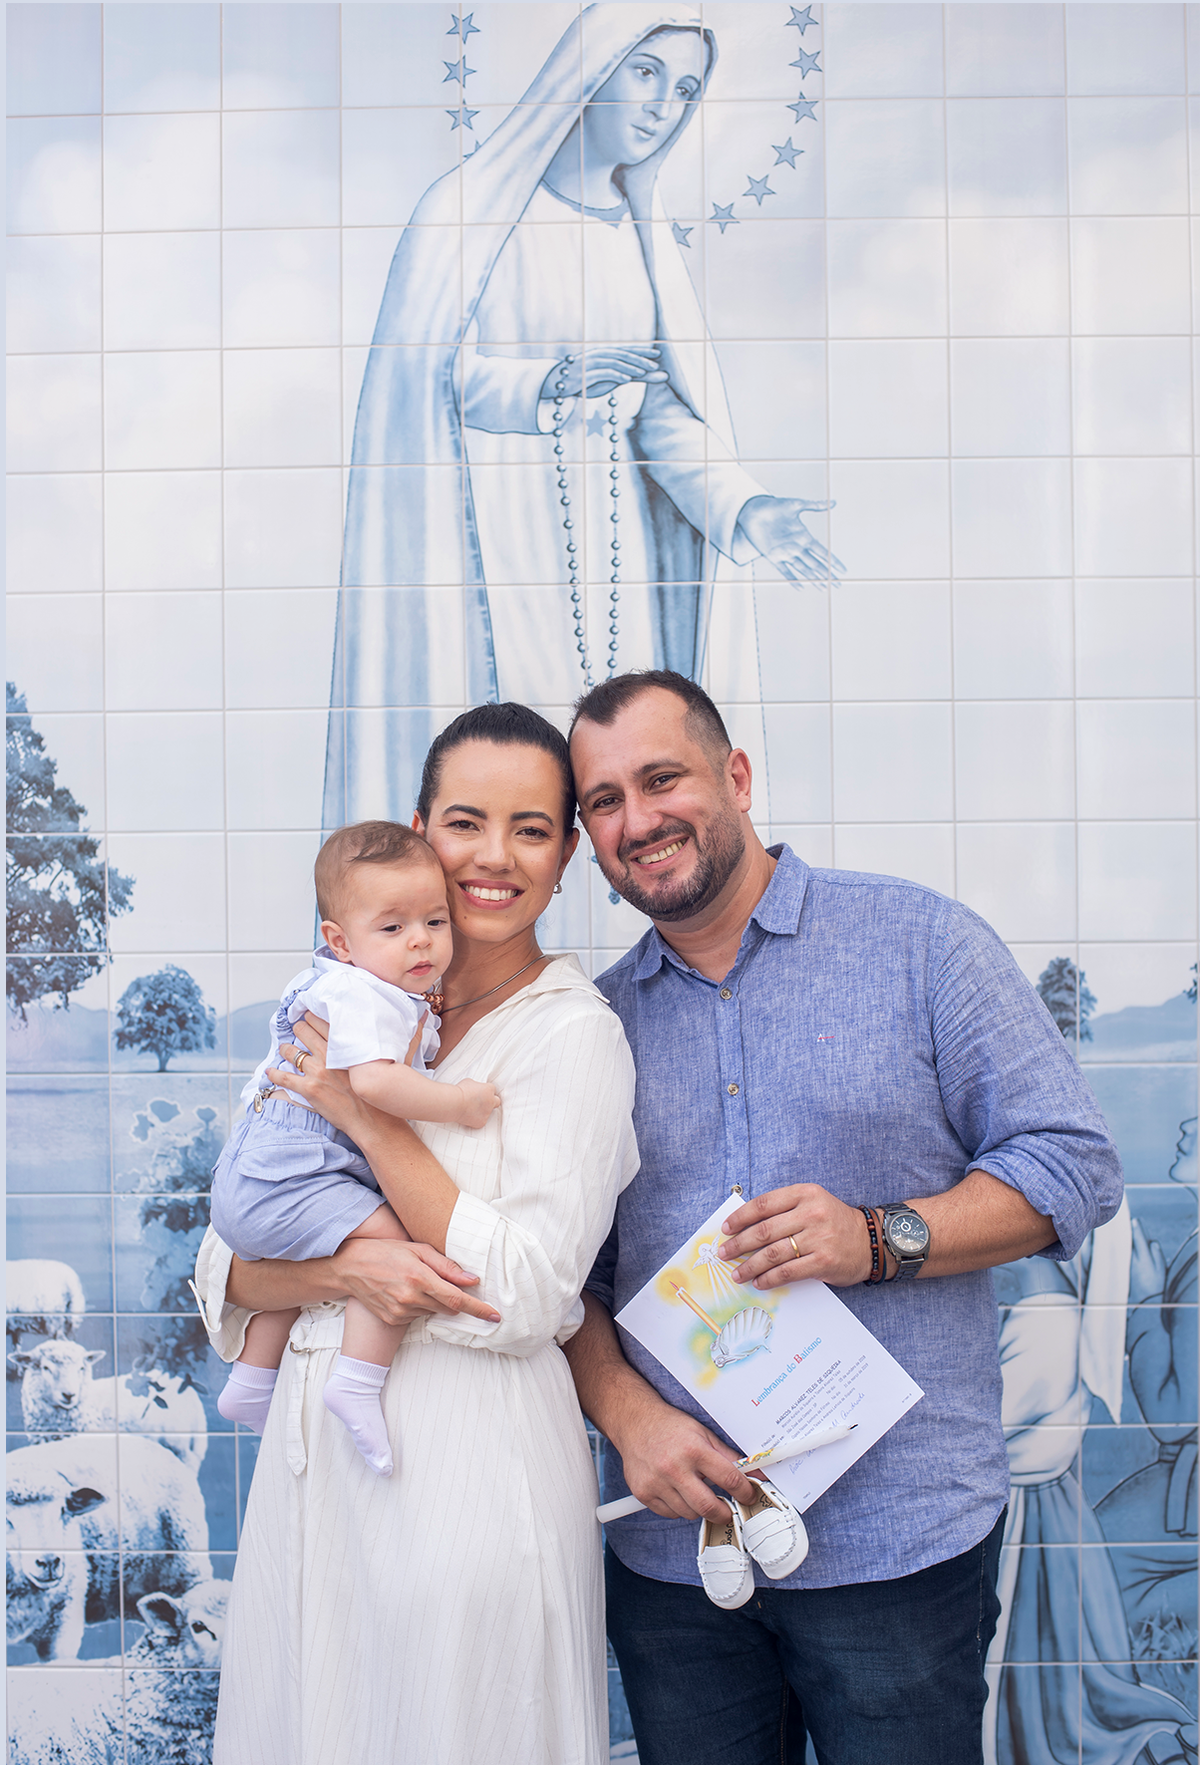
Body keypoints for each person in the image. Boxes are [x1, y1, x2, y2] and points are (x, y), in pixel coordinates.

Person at [562, 669, 1125, 1765]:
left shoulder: (921, 944)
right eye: (604, 801)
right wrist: (630, 1420)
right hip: (684, 1567)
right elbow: (564, 1286)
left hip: (900, 1542)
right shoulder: (591, 1029)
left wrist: (879, 1239)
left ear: (735, 775)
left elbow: (1073, 1162)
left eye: (662, 778)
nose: (638, 821)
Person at [193, 703, 638, 1765]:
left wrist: (360, 1114)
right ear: (418, 828)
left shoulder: (573, 1036)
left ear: (569, 851)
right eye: (466, 821)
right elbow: (228, 1250)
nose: (493, 856)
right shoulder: (348, 1004)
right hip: (313, 1490)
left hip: (469, 1479)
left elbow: (526, 1293)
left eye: (532, 828)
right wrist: (345, 1266)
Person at [324, 1, 841, 829]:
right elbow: (422, 380)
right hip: (497, 552)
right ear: (588, 68)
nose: (661, 104)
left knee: (622, 790)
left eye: (684, 89)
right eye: (645, 72)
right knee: (510, 790)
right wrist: (547, 383)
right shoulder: (470, 214)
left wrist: (743, 505)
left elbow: (660, 411)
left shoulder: (643, 235)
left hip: (620, 571)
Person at [209, 821, 500, 1478]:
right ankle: (358, 1380)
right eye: (392, 929)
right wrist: (461, 1102)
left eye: (434, 919)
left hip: (256, 1177)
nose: (420, 940)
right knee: (396, 1240)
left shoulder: (364, 988)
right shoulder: (359, 993)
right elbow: (371, 1083)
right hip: (294, 1174)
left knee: (312, 1247)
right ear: (339, 941)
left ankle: (252, 1382)